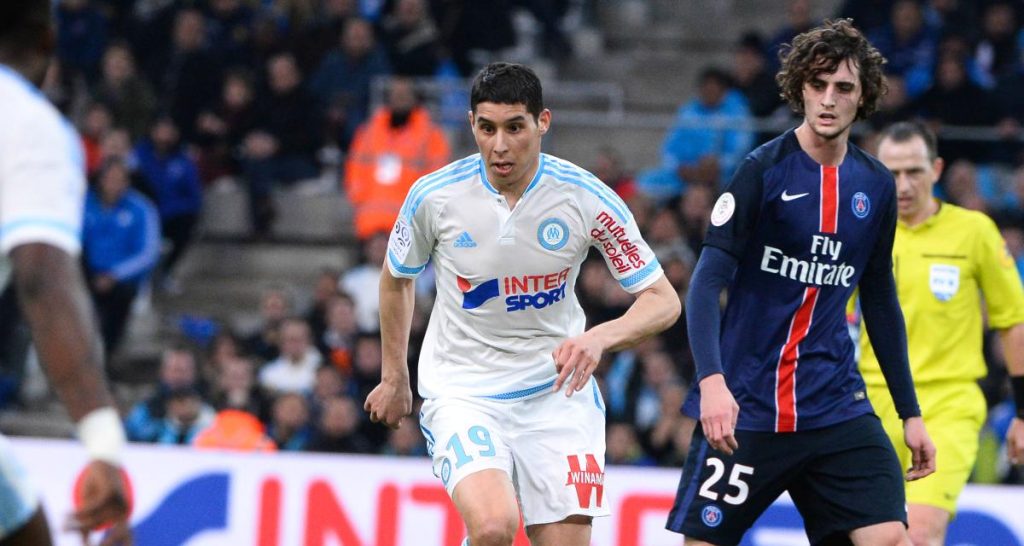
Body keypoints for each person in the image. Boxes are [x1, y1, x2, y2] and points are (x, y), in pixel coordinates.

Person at [364, 62, 680, 546]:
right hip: (463, 389)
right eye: (487, 128)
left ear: (542, 123)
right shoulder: (434, 196)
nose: (500, 144)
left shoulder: (585, 198)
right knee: (493, 527)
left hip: (556, 394)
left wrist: (599, 337)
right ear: (472, 124)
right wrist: (394, 376)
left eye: (515, 127)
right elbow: (396, 280)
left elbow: (662, 300)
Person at [666, 19, 936, 545]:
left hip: (835, 406)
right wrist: (712, 382)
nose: (828, 100)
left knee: (891, 538)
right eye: (818, 84)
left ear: (864, 97)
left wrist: (910, 412)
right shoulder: (761, 171)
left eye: (843, 88)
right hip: (747, 406)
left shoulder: (876, 186)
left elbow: (879, 299)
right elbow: (705, 284)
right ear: (799, 90)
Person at [857, 121, 1024, 546]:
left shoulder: (973, 232)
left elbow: (1013, 321)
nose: (904, 184)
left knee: (923, 530)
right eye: (892, 173)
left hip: (948, 406)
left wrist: (1022, 413)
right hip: (870, 406)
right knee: (872, 538)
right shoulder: (862, 233)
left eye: (914, 171)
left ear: (937, 168)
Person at [0, 1, 130, 544]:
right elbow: (43, 280)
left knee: (22, 523)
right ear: (48, 43)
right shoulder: (28, 126)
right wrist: (103, 445)